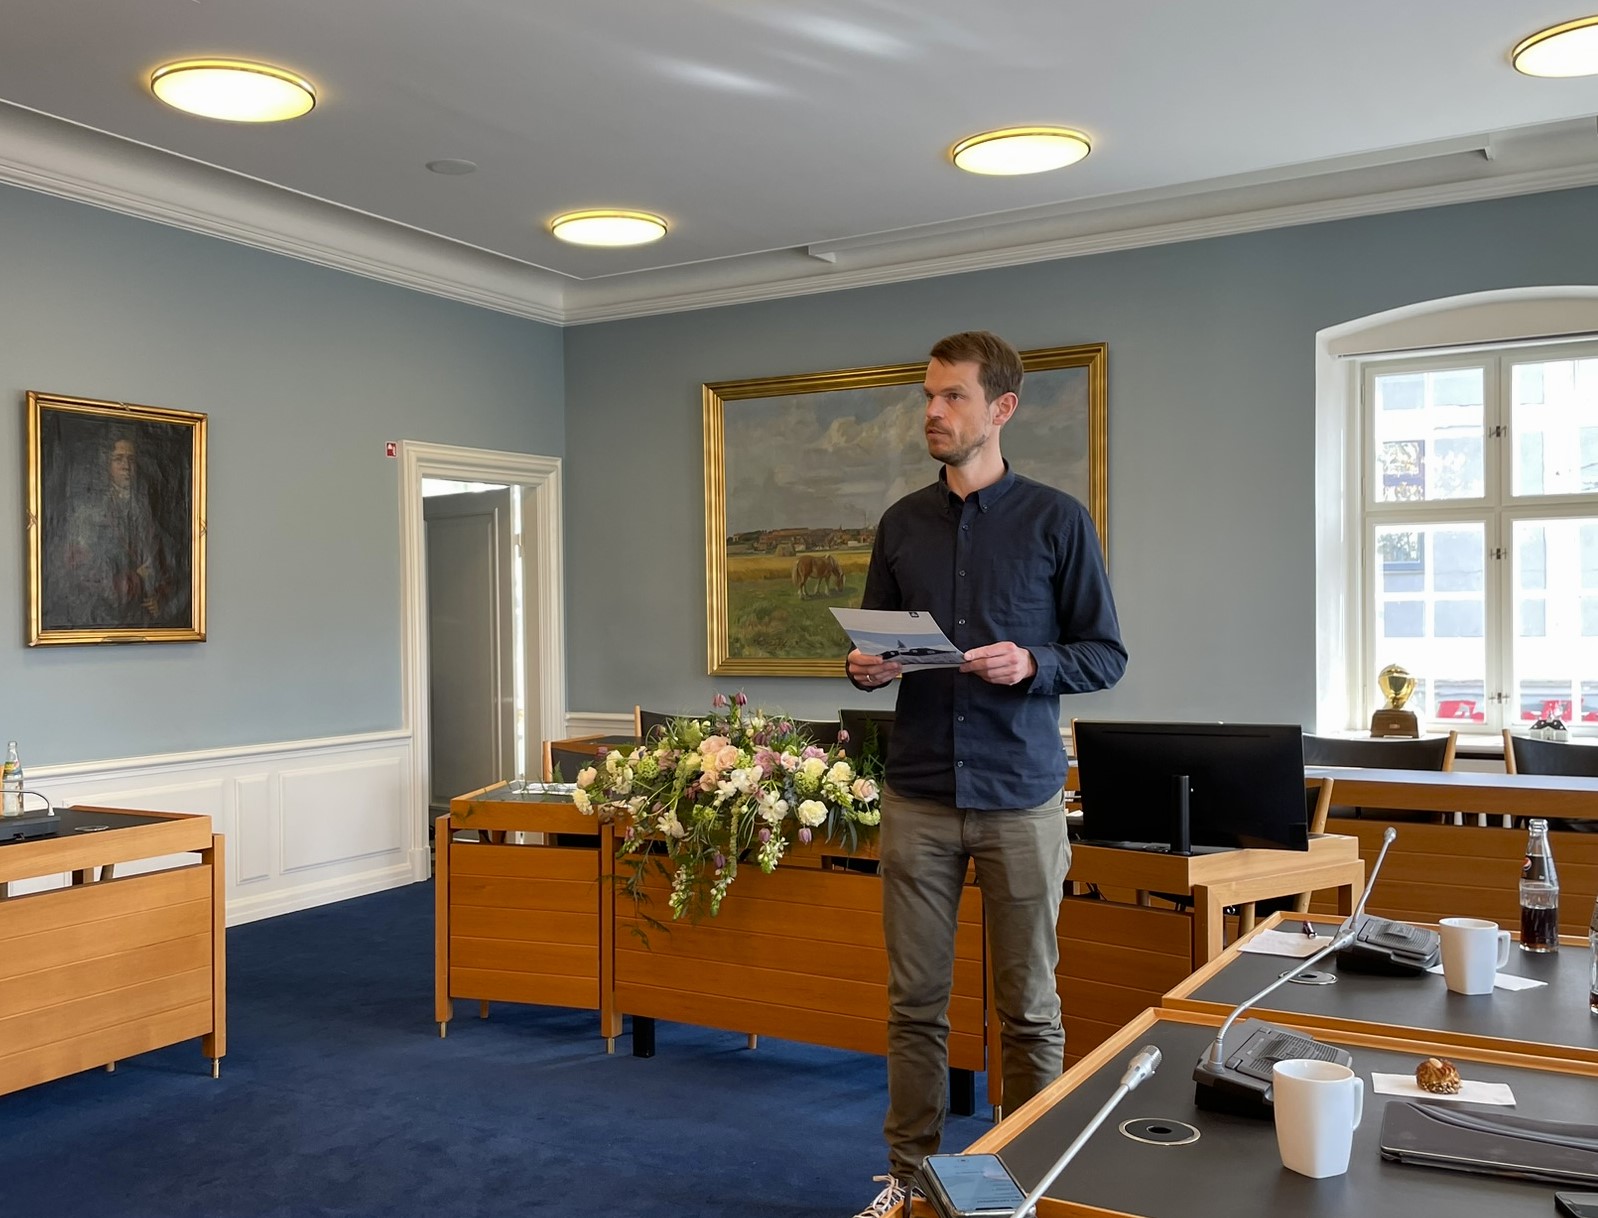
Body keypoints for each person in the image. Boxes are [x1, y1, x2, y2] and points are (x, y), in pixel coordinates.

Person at [846, 331, 1127, 1217]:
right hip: (918, 791)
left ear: (1001, 408)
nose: (932, 412)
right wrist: (867, 668)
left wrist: (1033, 664)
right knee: (913, 1007)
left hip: (1021, 797)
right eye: (927, 397)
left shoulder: (1057, 520)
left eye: (952, 397)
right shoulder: (901, 524)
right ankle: (909, 1179)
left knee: (1030, 1012)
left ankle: (1029, 1182)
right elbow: (877, 642)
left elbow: (1105, 654)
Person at [44, 433, 177, 630]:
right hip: (103, 619)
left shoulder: (146, 510)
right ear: (105, 466)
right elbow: (80, 575)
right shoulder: (88, 513)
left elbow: (166, 564)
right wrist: (135, 579)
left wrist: (161, 598)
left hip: (144, 624)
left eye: (131, 460)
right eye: (118, 459)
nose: (126, 466)